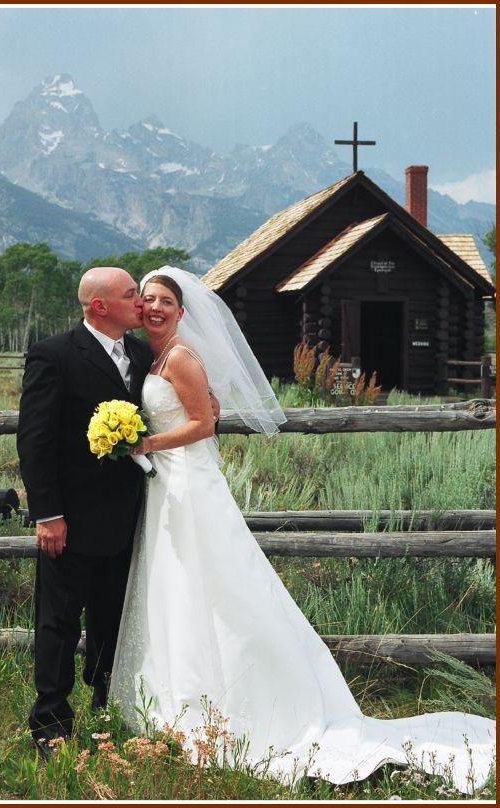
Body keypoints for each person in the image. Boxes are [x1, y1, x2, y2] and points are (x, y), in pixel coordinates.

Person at [109, 266, 495, 795]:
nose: (154, 307)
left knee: (217, 586)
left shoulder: (179, 356)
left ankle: (251, 701)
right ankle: (174, 696)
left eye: (164, 301)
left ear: (181, 310)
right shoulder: (152, 356)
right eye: (147, 299)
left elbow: (204, 423)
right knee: (177, 586)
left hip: (191, 486)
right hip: (166, 488)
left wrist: (147, 443)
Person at [17, 266, 157, 751]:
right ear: (100, 306)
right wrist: (48, 515)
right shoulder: (54, 354)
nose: (141, 301)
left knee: (111, 617)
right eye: (131, 294)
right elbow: (34, 441)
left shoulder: (142, 354)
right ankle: (50, 722)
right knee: (58, 621)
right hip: (70, 521)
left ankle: (105, 706)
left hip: (127, 517)